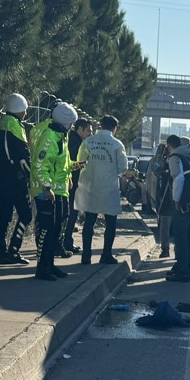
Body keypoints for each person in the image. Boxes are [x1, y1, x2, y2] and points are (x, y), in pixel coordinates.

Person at [29, 101, 77, 281]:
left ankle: (50, 265)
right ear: (65, 123)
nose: (72, 127)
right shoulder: (50, 137)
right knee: (47, 229)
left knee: (56, 228)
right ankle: (42, 267)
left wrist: (71, 171)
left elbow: (61, 162)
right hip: (47, 191)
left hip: (59, 189)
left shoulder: (61, 136)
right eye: (71, 123)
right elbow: (40, 165)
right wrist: (47, 187)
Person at [75, 115, 126, 265]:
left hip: (90, 186)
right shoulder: (117, 144)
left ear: (101, 125)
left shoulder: (88, 142)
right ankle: (106, 254)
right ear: (114, 129)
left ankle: (86, 255)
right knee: (111, 222)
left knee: (89, 221)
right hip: (109, 188)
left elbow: (80, 162)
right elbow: (123, 167)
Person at [0, 93, 32, 265]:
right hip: (16, 178)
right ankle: (14, 249)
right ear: (20, 110)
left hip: (0, 175)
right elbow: (23, 157)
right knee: (26, 214)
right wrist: (30, 176)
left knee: (4, 214)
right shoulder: (15, 126)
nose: (26, 114)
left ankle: (1, 251)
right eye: (25, 110)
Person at [165, 134, 190, 282]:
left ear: (170, 146)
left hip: (183, 204)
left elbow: (178, 178)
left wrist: (176, 200)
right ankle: (189, 266)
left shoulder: (175, 158)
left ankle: (183, 272)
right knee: (188, 236)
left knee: (180, 238)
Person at [62, 118, 93, 255]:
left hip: (71, 182)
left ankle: (66, 241)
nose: (90, 134)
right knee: (71, 214)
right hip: (72, 183)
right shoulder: (76, 142)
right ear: (80, 129)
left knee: (70, 214)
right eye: (88, 131)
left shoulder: (74, 140)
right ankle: (66, 242)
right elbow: (74, 162)